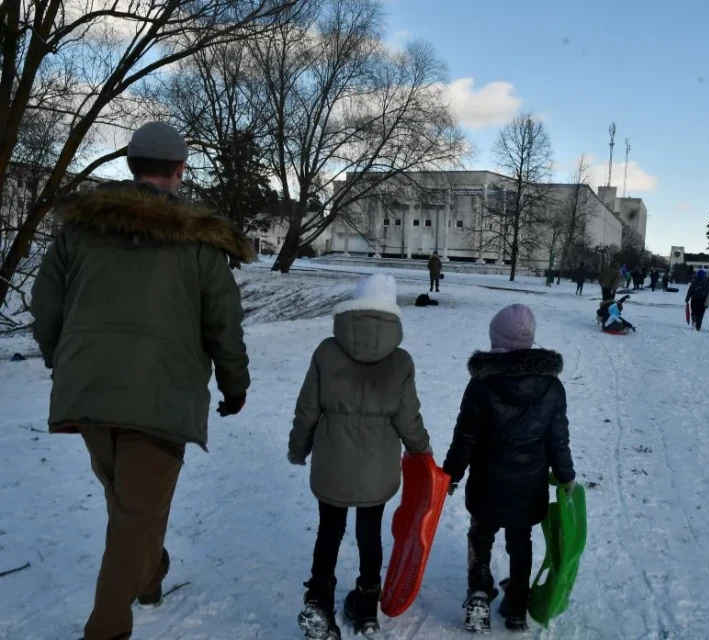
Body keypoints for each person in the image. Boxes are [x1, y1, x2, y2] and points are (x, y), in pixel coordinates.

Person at [30, 122, 253, 640]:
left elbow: (46, 306)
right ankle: (107, 628)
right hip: (161, 397)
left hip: (89, 391)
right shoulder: (199, 242)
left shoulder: (80, 230)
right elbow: (224, 322)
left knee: (129, 503)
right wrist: (234, 385)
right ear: (178, 170)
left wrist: (63, 360)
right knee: (133, 514)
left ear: (132, 166)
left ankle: (150, 575)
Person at [288, 274, 432, 639]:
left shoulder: (326, 351)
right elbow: (408, 418)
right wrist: (423, 452)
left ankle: (319, 602)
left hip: (332, 464)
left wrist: (298, 448)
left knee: (329, 532)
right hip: (376, 469)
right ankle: (368, 607)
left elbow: (307, 409)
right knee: (370, 536)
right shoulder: (401, 361)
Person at [443, 304, 576, 633]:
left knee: (481, 533)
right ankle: (517, 606)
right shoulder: (551, 387)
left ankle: (478, 591)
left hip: (488, 482)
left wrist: (452, 473)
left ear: (496, 340)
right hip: (528, 485)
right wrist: (565, 474)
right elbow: (558, 439)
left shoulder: (482, 385)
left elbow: (466, 437)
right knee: (521, 540)